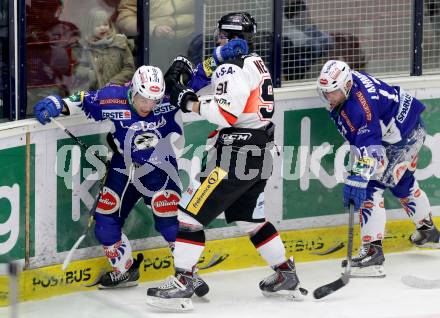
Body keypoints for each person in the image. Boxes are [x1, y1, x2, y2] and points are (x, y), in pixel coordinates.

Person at [146, 12, 307, 311]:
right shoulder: (254, 61)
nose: (217, 38)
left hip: (235, 155)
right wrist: (189, 81)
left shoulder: (231, 67)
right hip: (262, 151)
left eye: (221, 34)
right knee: (250, 220)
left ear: (227, 35)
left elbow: (225, 114)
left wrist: (187, 101)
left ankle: (183, 282)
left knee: (188, 217)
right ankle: (286, 272)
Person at [32, 65, 208, 296]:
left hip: (160, 169)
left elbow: (199, 78)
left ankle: (189, 272)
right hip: (122, 167)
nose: (148, 106)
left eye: (154, 101)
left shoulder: (170, 96)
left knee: (169, 223)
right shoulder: (111, 97)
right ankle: (125, 270)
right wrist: (56, 104)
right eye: (143, 99)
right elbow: (81, 100)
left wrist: (215, 59)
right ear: (133, 89)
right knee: (105, 223)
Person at [316, 60, 440, 278]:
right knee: (403, 183)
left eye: (333, 92)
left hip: (401, 138)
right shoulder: (350, 85)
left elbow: (371, 149)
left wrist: (358, 179)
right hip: (407, 129)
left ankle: (373, 252)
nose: (329, 97)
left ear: (346, 86)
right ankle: (428, 231)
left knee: (371, 187)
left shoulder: (358, 108)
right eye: (326, 92)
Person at [26, 0, 80, 116]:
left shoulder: (67, 30)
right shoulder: (20, 28)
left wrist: (48, 48)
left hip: (55, 95)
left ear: (58, 9)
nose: (44, 13)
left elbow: (73, 69)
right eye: (39, 7)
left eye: (49, 8)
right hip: (25, 96)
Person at [116, 0, 197, 70]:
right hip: (155, 44)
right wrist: (152, 29)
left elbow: (206, 6)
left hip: (191, 38)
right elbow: (125, 19)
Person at [72, 8, 135, 91]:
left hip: (117, 92)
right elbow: (77, 70)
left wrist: (114, 83)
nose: (102, 28)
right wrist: (91, 74)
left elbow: (129, 68)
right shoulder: (85, 47)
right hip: (93, 94)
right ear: (90, 27)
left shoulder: (120, 43)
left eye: (105, 24)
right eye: (98, 25)